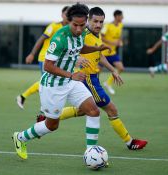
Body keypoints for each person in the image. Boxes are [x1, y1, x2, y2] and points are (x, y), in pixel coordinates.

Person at [37, 7, 148, 150]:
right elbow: (72, 51)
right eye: (95, 21)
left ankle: (45, 119)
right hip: (87, 78)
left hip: (93, 78)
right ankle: (130, 142)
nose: (98, 25)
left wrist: (113, 70)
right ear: (88, 20)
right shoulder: (82, 33)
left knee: (84, 110)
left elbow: (99, 55)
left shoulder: (96, 34)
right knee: (111, 109)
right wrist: (78, 59)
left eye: (101, 22)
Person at [12, 3, 112, 160]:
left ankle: (91, 153)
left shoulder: (80, 34)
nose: (78, 29)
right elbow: (47, 66)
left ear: (86, 21)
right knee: (52, 125)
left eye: (81, 25)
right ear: (68, 21)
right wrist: (71, 75)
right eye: (75, 25)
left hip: (70, 82)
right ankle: (20, 137)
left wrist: (97, 48)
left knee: (94, 111)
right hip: (53, 86)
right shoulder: (59, 38)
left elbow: (80, 47)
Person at [16, 6, 69, 109]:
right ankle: (26, 98)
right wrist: (32, 54)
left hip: (57, 59)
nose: (67, 16)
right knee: (46, 81)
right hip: (45, 57)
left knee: (50, 82)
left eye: (69, 14)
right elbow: (41, 39)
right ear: (62, 15)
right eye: (66, 14)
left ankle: (27, 98)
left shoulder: (70, 29)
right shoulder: (53, 26)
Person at [101, 10, 124, 95]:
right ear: (116, 16)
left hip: (112, 52)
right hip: (103, 53)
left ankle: (108, 83)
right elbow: (101, 37)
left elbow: (120, 35)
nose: (122, 18)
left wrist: (120, 41)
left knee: (121, 68)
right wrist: (112, 43)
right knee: (96, 72)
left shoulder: (121, 25)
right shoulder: (107, 25)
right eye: (121, 16)